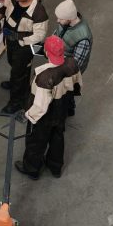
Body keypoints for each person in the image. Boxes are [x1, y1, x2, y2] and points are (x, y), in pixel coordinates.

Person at [15, 35, 82, 180]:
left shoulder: (44, 77)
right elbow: (77, 84)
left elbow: (41, 105)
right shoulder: (72, 64)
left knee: (36, 141)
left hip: (46, 115)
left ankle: (32, 168)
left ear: (46, 52)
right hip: (62, 108)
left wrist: (29, 116)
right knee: (57, 136)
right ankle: (55, 167)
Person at [0, 0, 48, 114]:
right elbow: (4, 7)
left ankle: (17, 102)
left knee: (20, 72)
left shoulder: (39, 13)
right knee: (12, 63)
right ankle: (15, 83)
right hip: (10, 40)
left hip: (24, 46)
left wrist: (19, 38)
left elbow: (39, 36)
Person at [53, 0, 92, 116]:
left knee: (67, 92)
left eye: (60, 18)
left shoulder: (83, 37)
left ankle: (68, 110)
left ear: (69, 18)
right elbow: (57, 34)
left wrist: (58, 60)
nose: (57, 20)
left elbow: (75, 65)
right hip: (59, 61)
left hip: (68, 71)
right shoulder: (65, 22)